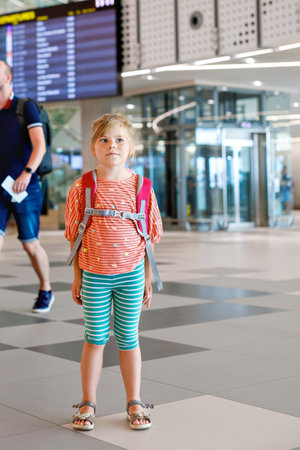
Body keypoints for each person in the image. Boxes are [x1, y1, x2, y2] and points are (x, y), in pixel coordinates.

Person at [65, 114, 162, 431]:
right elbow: (76, 235)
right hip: (93, 273)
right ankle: (87, 402)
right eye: (104, 139)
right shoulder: (83, 187)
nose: (112, 146)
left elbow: (148, 237)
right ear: (93, 146)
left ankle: (134, 400)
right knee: (94, 339)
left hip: (132, 273)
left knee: (128, 338)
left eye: (120, 139)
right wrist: (77, 276)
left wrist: (147, 278)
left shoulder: (142, 187)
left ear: (131, 147)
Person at [0, 60, 54, 313]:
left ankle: (46, 289)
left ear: (8, 78)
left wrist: (27, 173)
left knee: (29, 244)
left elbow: (39, 146)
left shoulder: (25, 107)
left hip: (26, 188)